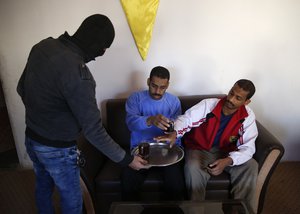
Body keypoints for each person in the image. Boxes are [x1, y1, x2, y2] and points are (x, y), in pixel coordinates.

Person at [16, 14, 148, 214]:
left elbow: (21, 88)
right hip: (58, 149)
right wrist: (126, 159)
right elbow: (93, 130)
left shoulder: (43, 46)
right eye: (104, 48)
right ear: (98, 46)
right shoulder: (80, 75)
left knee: (43, 187)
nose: (102, 53)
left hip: (32, 137)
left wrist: (43, 115)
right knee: (73, 202)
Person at [155, 79, 258, 214]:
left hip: (227, 152)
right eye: (231, 93)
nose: (231, 99)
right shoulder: (209, 105)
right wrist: (175, 132)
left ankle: (238, 210)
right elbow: (187, 119)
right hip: (199, 149)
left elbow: (248, 147)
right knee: (192, 167)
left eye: (238, 98)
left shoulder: (247, 116)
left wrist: (227, 161)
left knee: (251, 165)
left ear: (246, 102)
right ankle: (196, 211)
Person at [121, 66, 185, 201]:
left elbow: (178, 128)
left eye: (162, 88)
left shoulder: (174, 102)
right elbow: (130, 123)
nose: (157, 91)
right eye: (154, 86)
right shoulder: (135, 98)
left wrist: (171, 133)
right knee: (128, 183)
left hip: (167, 150)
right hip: (141, 150)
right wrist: (150, 120)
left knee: (176, 186)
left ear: (168, 85)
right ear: (148, 81)